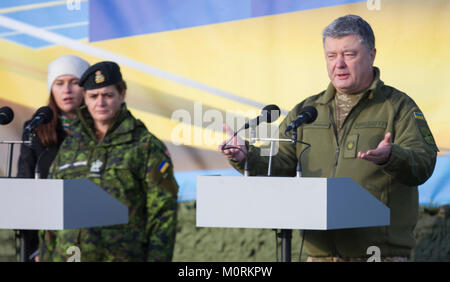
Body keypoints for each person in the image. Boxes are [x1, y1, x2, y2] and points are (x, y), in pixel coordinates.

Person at [220, 15, 438, 262]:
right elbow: (279, 163)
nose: (339, 64)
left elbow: (423, 162)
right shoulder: (308, 110)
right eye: (331, 56)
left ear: (372, 54)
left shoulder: (398, 106)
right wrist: (245, 156)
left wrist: (392, 156)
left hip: (377, 256)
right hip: (319, 256)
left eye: (349, 54)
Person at [39, 61, 178, 262]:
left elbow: (163, 214)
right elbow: (52, 212)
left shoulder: (145, 146)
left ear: (122, 95)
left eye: (108, 95)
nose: (100, 103)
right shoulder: (69, 147)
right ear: (84, 98)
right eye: (93, 96)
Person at [16, 55, 89, 262]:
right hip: (47, 241)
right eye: (59, 83)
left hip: (91, 234)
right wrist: (36, 250)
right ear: (51, 88)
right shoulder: (35, 130)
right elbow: (25, 185)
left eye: (74, 82)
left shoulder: (100, 130)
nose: (67, 90)